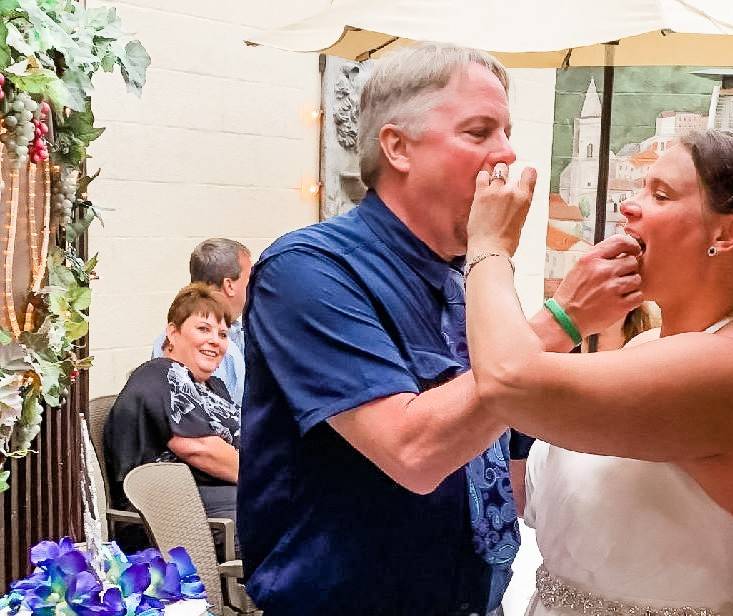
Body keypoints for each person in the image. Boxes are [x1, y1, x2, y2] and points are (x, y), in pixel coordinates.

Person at [237, 43, 640, 616]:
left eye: (506, 131)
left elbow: (514, 449)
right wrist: (562, 319)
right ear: (397, 146)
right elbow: (414, 451)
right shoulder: (309, 269)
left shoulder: (472, 275)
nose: (505, 155)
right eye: (479, 132)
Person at [463, 130, 733, 615]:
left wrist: (488, 245)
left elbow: (507, 381)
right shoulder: (648, 346)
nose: (629, 207)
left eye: (661, 194)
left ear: (726, 233)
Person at [105, 283, 241, 551]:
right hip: (166, 512)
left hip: (216, 500)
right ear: (173, 331)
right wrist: (272, 481)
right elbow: (198, 448)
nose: (215, 340)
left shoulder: (215, 386)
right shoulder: (160, 374)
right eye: (203, 329)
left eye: (223, 334)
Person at [152, 238, 251, 406]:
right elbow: (210, 415)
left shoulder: (235, 330)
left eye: (221, 334)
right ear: (229, 285)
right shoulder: (210, 346)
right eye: (249, 279)